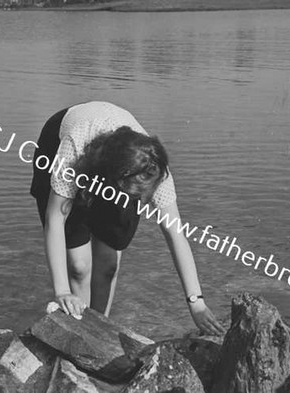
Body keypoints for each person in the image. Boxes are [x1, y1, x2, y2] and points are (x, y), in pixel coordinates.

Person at [30, 101, 225, 336]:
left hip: (121, 166)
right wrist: (61, 291)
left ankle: (98, 331)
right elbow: (55, 219)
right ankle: (78, 329)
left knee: (108, 264)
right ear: (118, 181)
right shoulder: (74, 147)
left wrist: (197, 303)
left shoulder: (154, 171)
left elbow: (175, 233)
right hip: (63, 145)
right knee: (79, 266)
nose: (142, 204)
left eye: (143, 196)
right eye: (136, 196)